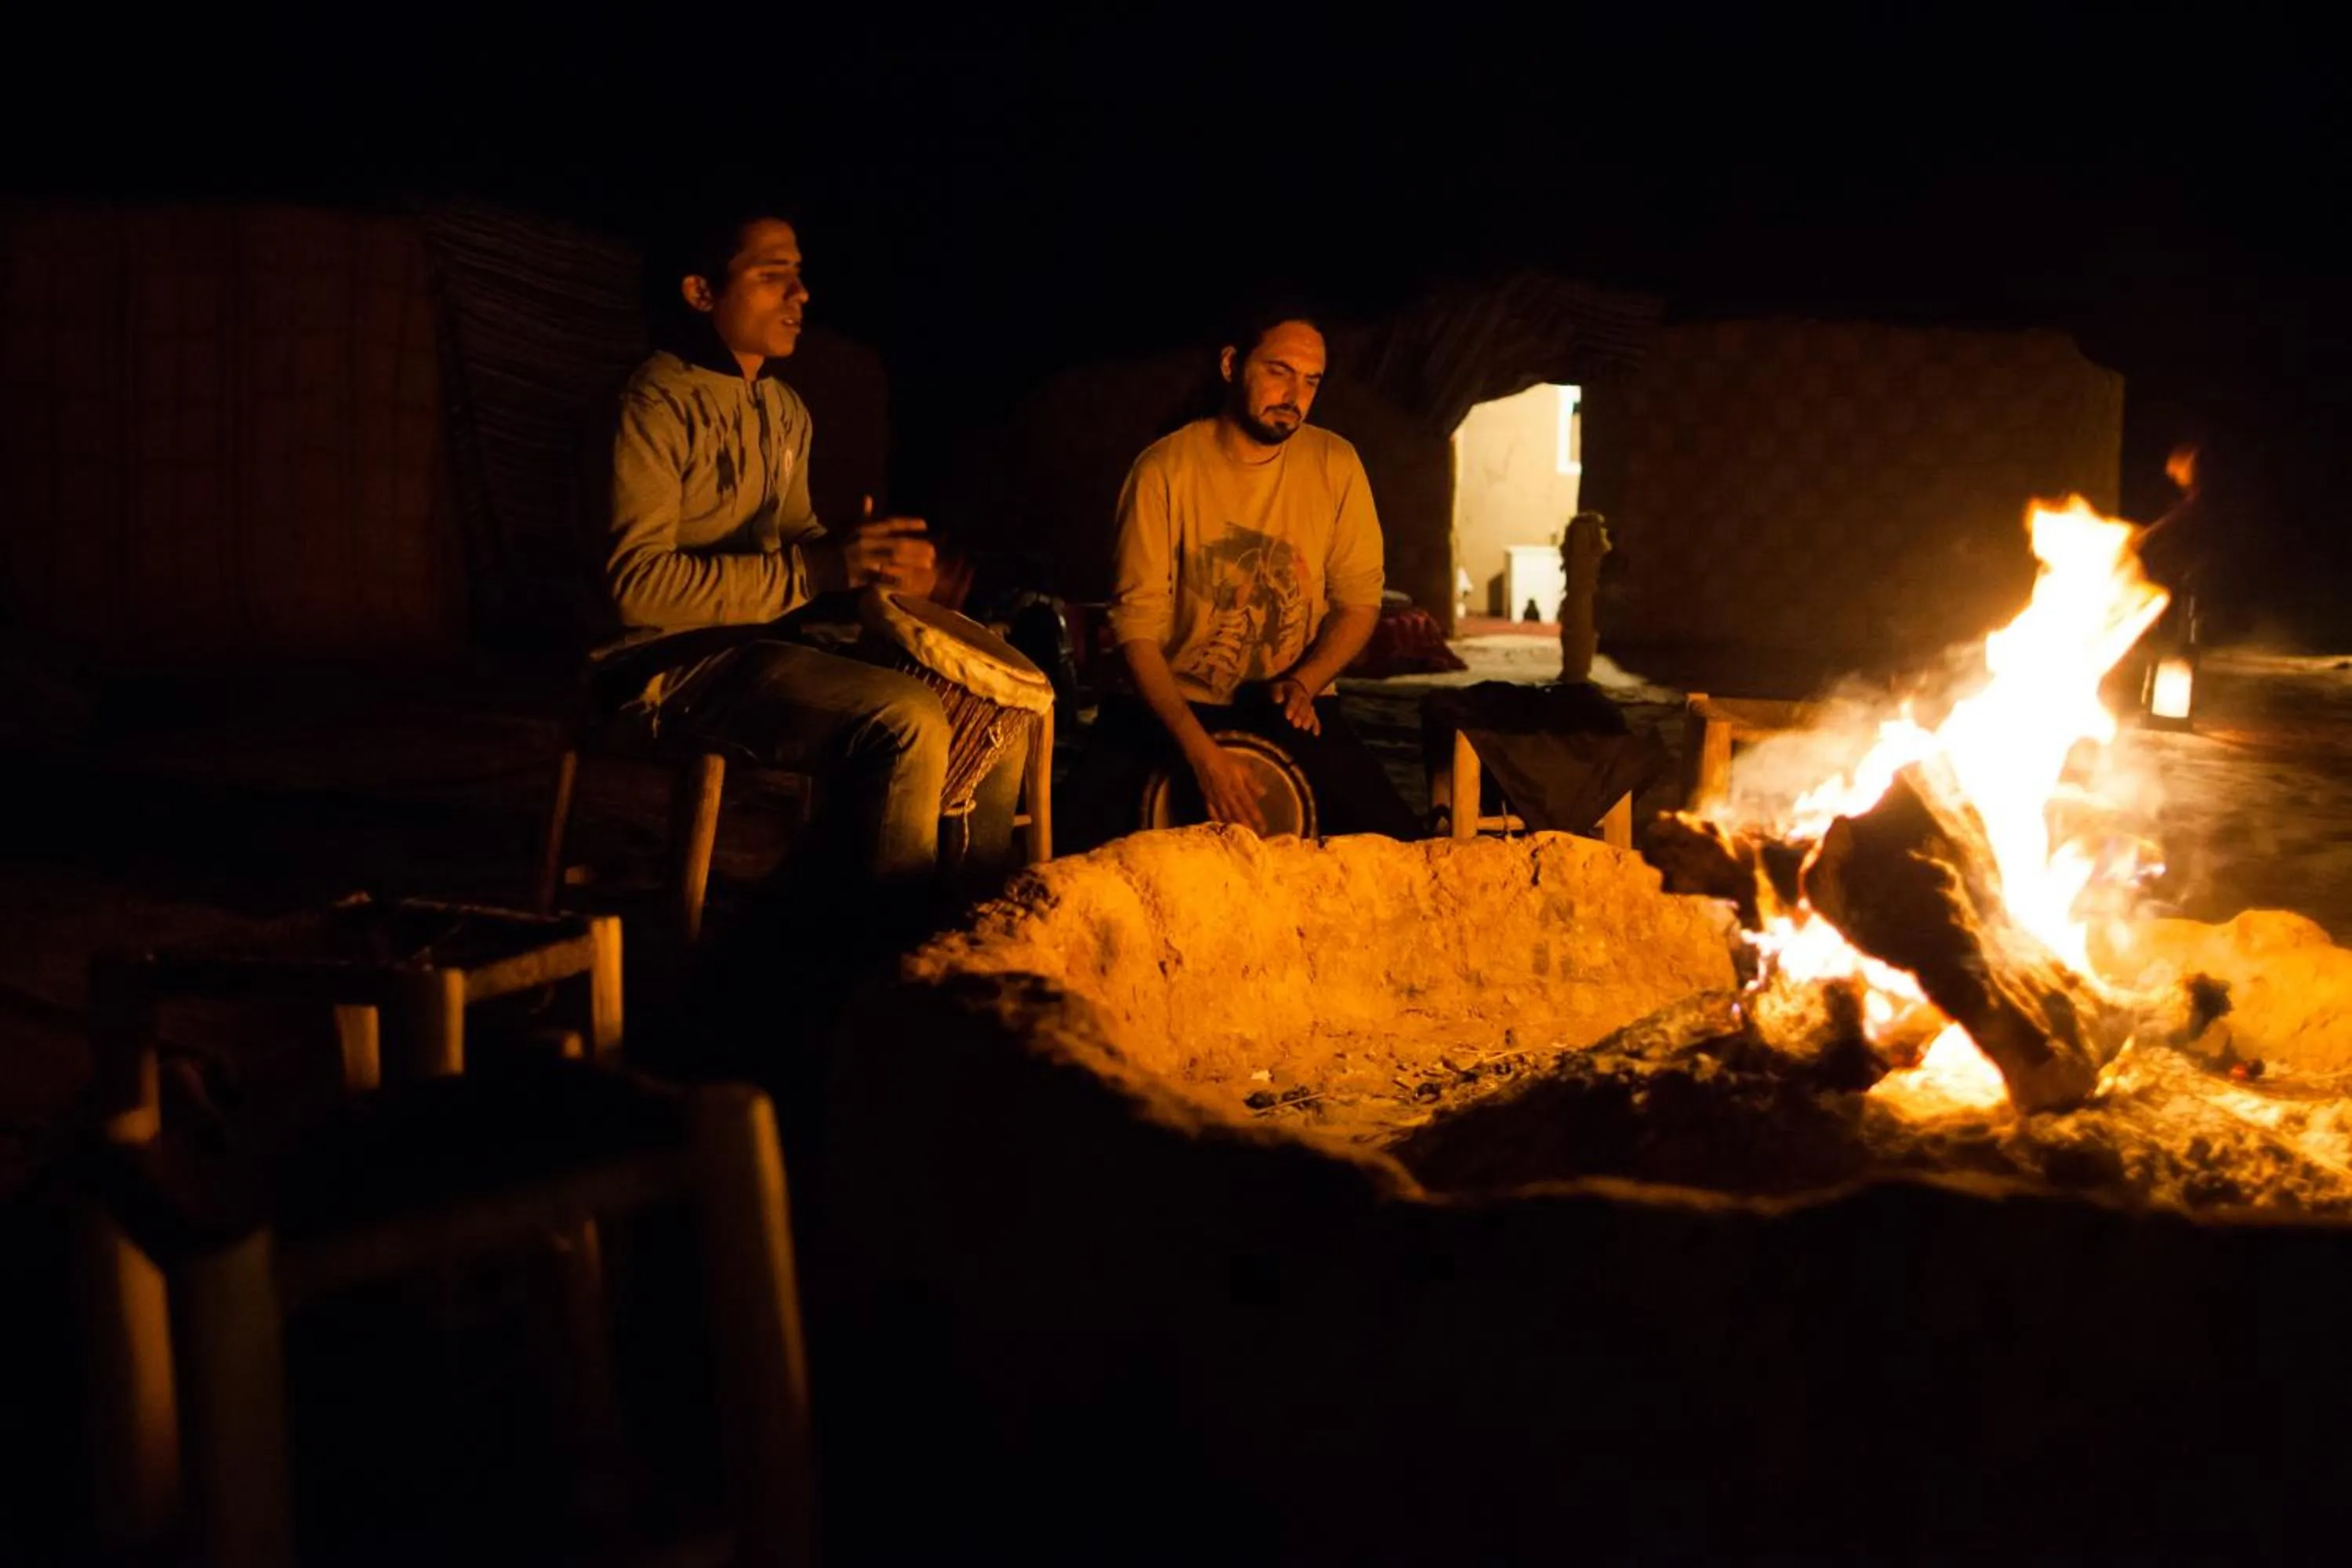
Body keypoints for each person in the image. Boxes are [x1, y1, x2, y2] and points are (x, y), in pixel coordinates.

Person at [590, 205, 1029, 926]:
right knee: (909, 720)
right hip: (657, 671)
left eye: (800, 277)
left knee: (988, 708)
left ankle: (961, 938)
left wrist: (878, 569)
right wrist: (823, 569)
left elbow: (800, 547)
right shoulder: (649, 408)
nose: (801, 296)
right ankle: (868, 958)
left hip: (758, 650)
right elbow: (635, 589)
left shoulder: (785, 412)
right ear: (701, 292)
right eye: (773, 278)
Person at [1062, 311, 1420, 850]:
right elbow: (1134, 627)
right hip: (1170, 702)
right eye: (1280, 371)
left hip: (1290, 696)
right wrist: (1202, 754)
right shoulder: (1164, 469)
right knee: (1065, 855)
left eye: (1311, 380)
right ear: (1232, 365)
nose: (1295, 394)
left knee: (1400, 845)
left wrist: (1307, 681)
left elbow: (1359, 601)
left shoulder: (1336, 464)